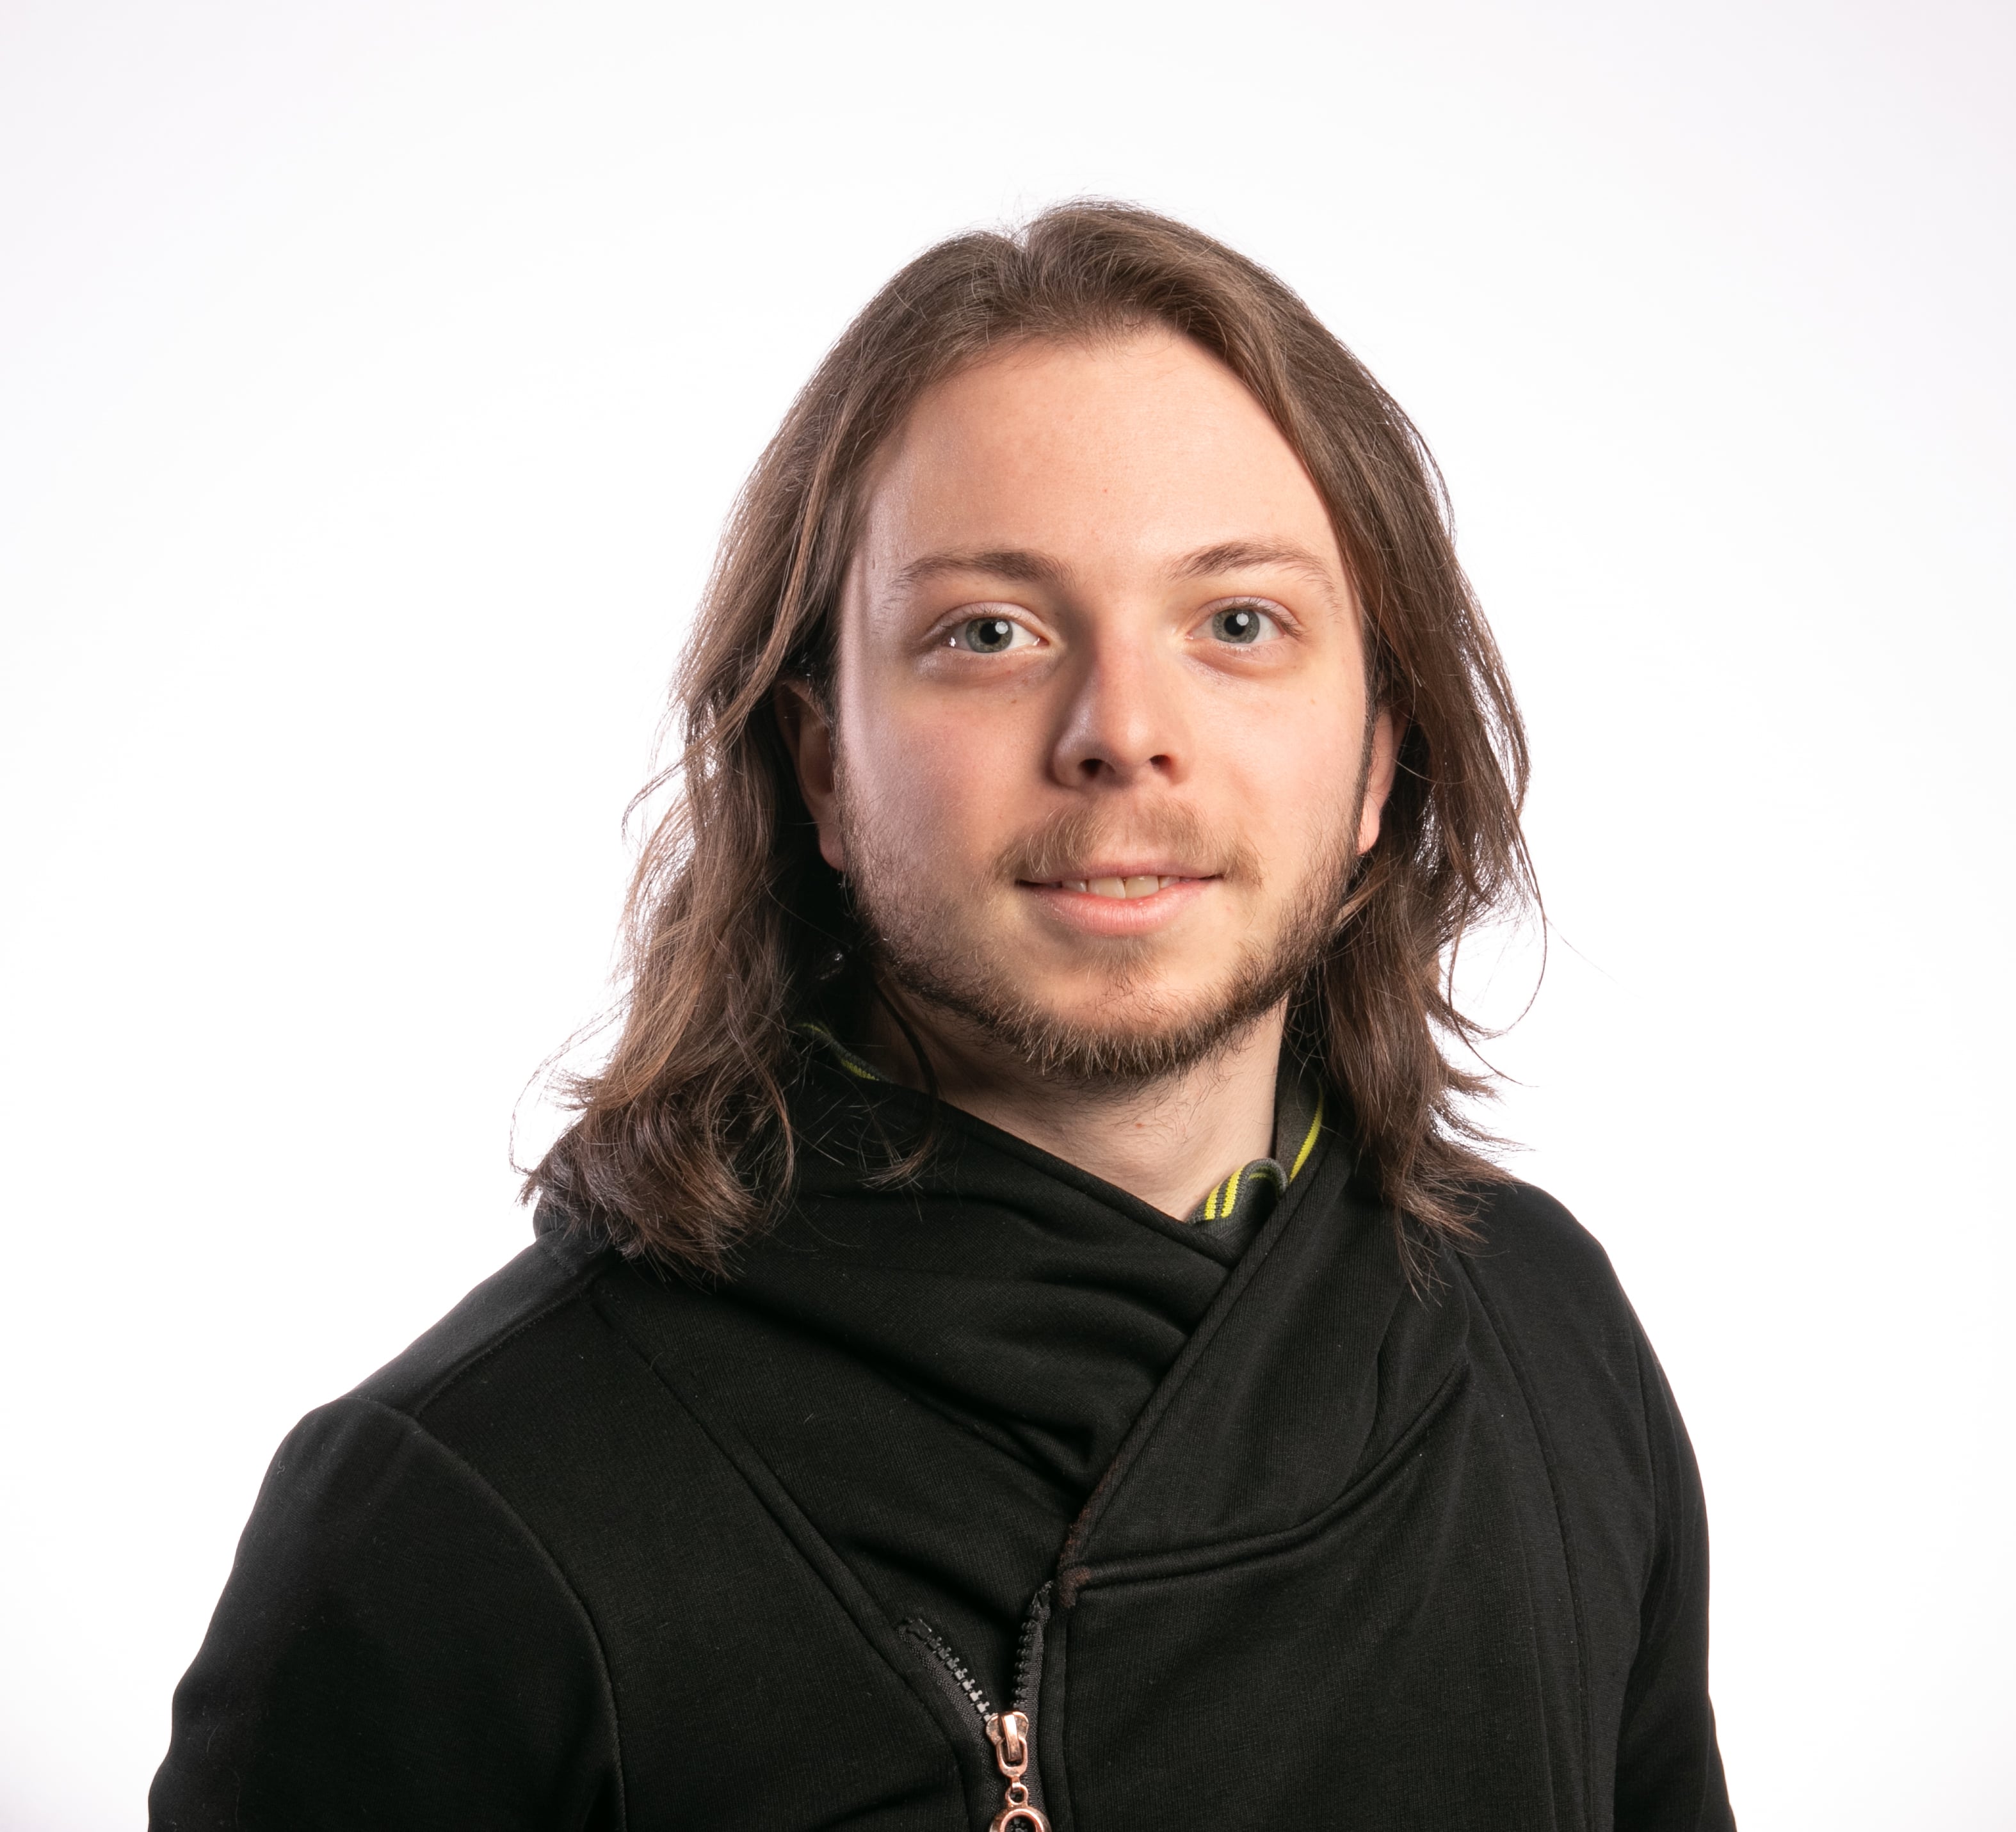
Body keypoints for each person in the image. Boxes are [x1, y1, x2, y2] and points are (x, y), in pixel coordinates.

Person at [152, 204, 1734, 1831]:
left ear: (1381, 758)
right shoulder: (456, 1514)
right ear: (822, 766)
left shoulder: (1545, 1329)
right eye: (990, 634)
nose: (1123, 731)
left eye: (1238, 624)